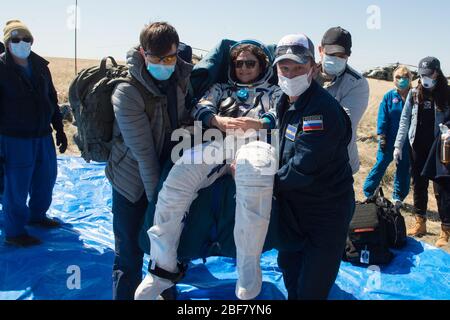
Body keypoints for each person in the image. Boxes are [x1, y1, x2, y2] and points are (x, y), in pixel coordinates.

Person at [134, 40, 281, 301]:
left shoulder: (273, 92)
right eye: (238, 64)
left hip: (257, 144)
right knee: (178, 177)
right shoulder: (221, 88)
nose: (244, 68)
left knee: (255, 177)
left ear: (262, 65)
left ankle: (248, 268)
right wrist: (216, 120)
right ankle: (162, 267)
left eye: (250, 63)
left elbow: (285, 112)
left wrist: (259, 123)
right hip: (219, 142)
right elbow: (199, 105)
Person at [105, 22, 193, 300]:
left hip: (167, 176)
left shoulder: (179, 79)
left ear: (176, 52)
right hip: (131, 183)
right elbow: (143, 155)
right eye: (156, 58)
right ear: (143, 53)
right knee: (129, 256)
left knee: (167, 257)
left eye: (169, 57)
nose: (163, 64)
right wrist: (160, 203)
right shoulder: (126, 92)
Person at [273, 34, 354, 300]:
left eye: (298, 67)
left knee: (312, 288)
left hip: (325, 213)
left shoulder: (320, 110)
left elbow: (302, 167)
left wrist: (259, 181)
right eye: (285, 68)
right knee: (289, 269)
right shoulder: (286, 100)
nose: (290, 74)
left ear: (313, 68)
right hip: (294, 209)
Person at [0, 20, 67, 247]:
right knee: (16, 186)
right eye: (15, 40)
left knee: (46, 178)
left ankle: (37, 216)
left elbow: (52, 99)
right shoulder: (1, 69)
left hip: (42, 135)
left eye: (26, 39)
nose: (21, 43)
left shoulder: (40, 66)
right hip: (14, 138)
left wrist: (59, 129)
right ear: (7, 43)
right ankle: (15, 232)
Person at [395, 57, 450, 246]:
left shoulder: (447, 93)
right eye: (421, 75)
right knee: (418, 185)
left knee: (442, 189)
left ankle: (445, 230)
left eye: (428, 74)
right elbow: (404, 120)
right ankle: (420, 222)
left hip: (438, 148)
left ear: (437, 72)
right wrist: (397, 145)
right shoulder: (414, 93)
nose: (425, 78)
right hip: (416, 145)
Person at [315, 26, 370, 174]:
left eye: (341, 55)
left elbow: (341, 125)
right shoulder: (304, 74)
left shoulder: (357, 83)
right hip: (304, 161)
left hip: (339, 164)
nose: (336, 58)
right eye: (331, 53)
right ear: (320, 50)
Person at [363, 66, 413, 206]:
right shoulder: (389, 97)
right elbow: (382, 117)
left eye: (404, 77)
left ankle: (398, 197)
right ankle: (369, 192)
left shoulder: (414, 96)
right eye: (398, 77)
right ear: (393, 79)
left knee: (404, 168)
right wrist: (382, 136)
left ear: (410, 79)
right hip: (389, 138)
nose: (401, 80)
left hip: (407, 141)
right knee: (381, 163)